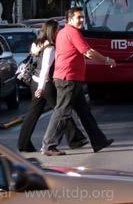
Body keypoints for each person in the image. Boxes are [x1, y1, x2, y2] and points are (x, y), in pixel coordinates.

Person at [41, 7, 116, 156]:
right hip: (68, 79)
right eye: (78, 17)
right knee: (62, 112)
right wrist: (107, 60)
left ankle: (99, 140)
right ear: (70, 19)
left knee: (84, 112)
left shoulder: (63, 32)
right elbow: (88, 52)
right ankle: (48, 145)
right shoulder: (72, 32)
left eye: (82, 17)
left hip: (70, 78)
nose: (82, 20)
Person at [17, 20, 87, 152]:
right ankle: (74, 139)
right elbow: (45, 68)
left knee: (33, 114)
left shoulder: (36, 44)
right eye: (57, 30)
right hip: (45, 84)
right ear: (52, 32)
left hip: (35, 81)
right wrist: (41, 88)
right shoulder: (50, 48)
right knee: (61, 111)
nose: (59, 32)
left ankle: (23, 143)